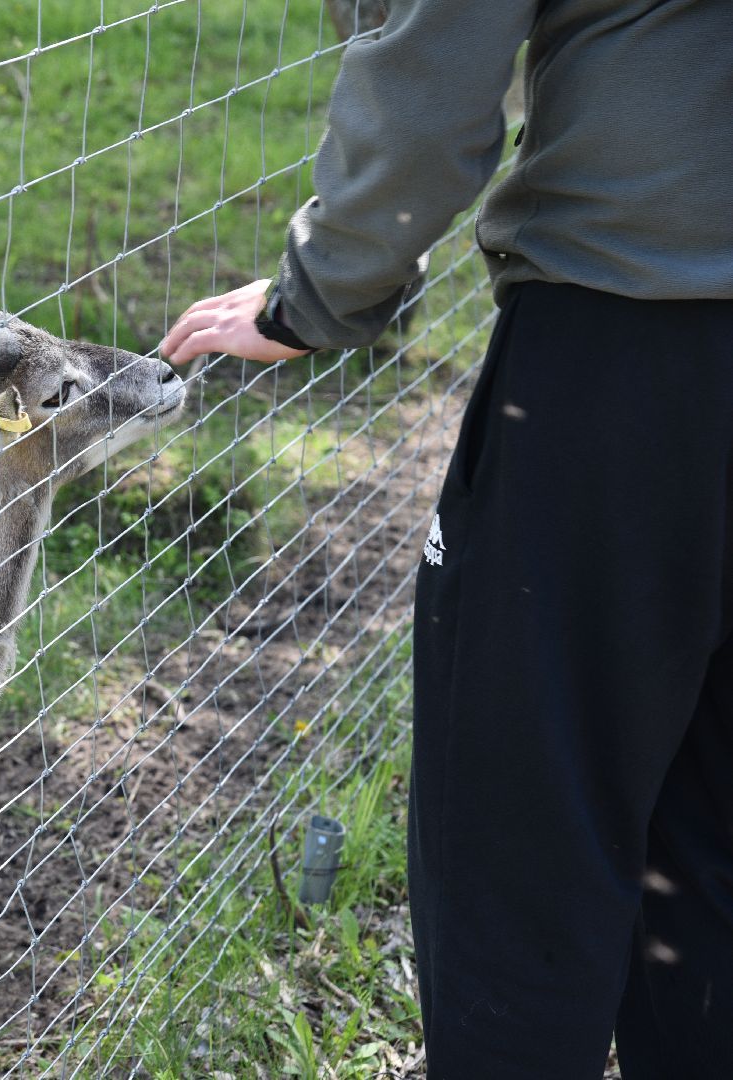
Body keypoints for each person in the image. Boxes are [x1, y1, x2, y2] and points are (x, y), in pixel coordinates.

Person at [158, 3, 733, 1078]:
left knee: (526, 835)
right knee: (714, 841)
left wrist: (320, 290)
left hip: (632, 337)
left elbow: (436, 66)